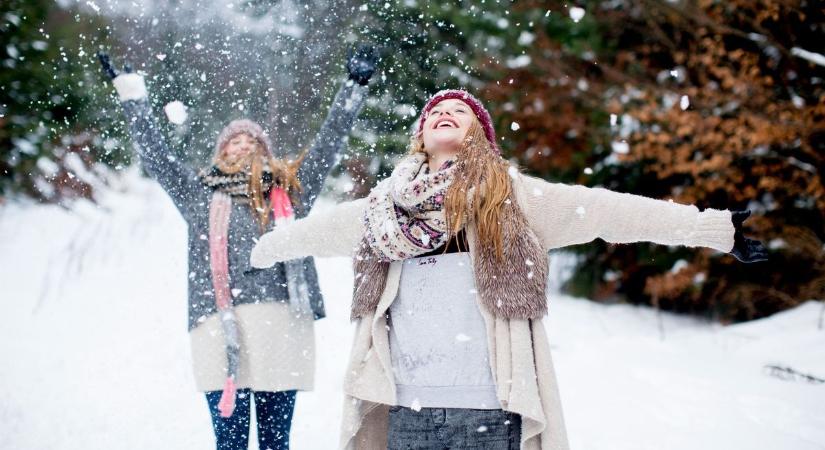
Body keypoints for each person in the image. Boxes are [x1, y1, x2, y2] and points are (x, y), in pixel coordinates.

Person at [249, 89, 767, 449]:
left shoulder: (515, 198)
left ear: (481, 134)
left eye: (460, 110)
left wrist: (713, 230)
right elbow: (311, 233)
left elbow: (610, 211)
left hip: (492, 410)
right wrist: (265, 249)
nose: (444, 113)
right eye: (435, 112)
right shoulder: (382, 210)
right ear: (421, 136)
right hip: (408, 410)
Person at [99, 46, 378, 450]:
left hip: (282, 321)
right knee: (229, 441)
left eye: (253, 141)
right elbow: (157, 156)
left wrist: (353, 87)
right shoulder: (197, 194)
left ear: (265, 151)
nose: (243, 145)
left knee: (274, 442)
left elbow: (327, 145)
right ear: (221, 151)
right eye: (234, 141)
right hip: (217, 321)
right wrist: (131, 95)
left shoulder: (289, 193)